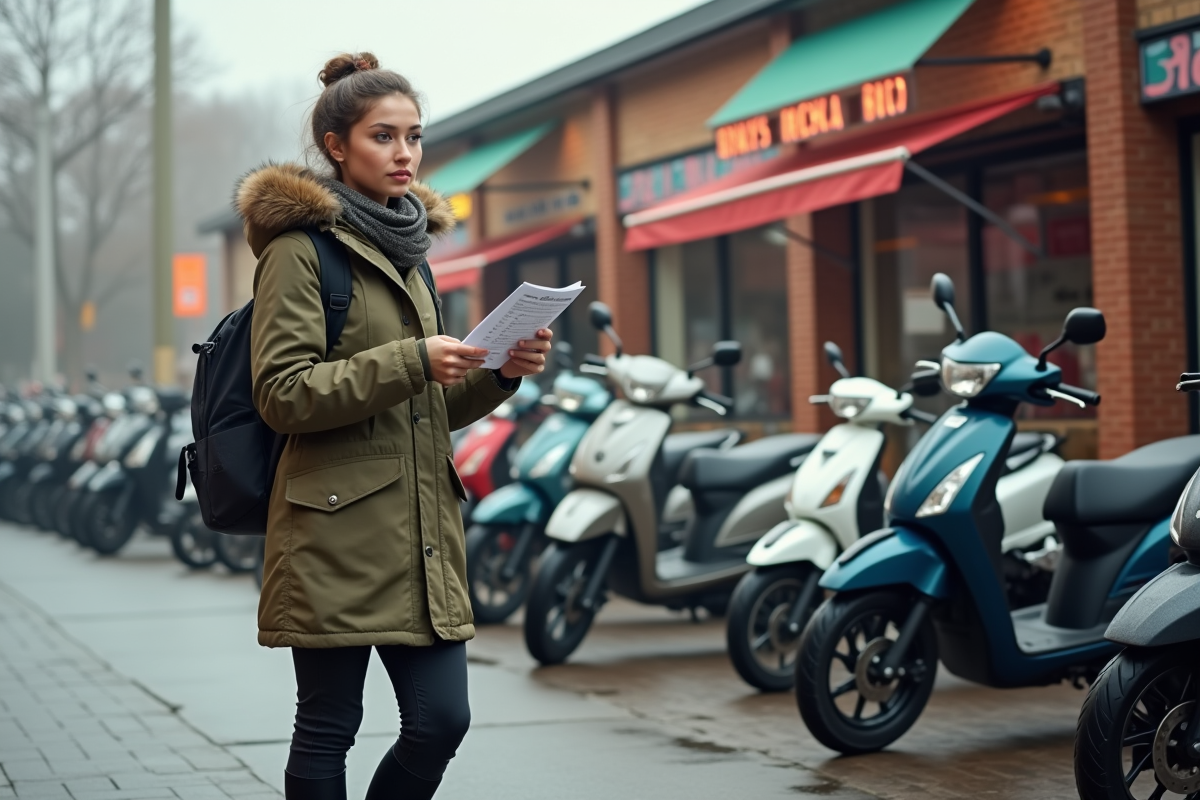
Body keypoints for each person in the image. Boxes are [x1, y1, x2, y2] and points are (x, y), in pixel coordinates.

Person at [236, 52, 552, 800]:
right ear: (337, 146)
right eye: (384, 136)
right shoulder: (297, 250)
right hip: (333, 529)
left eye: (414, 136)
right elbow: (282, 394)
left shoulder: (411, 253)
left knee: (441, 721)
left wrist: (499, 371)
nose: (405, 153)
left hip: (421, 534)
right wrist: (412, 358)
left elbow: (422, 412)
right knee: (329, 725)